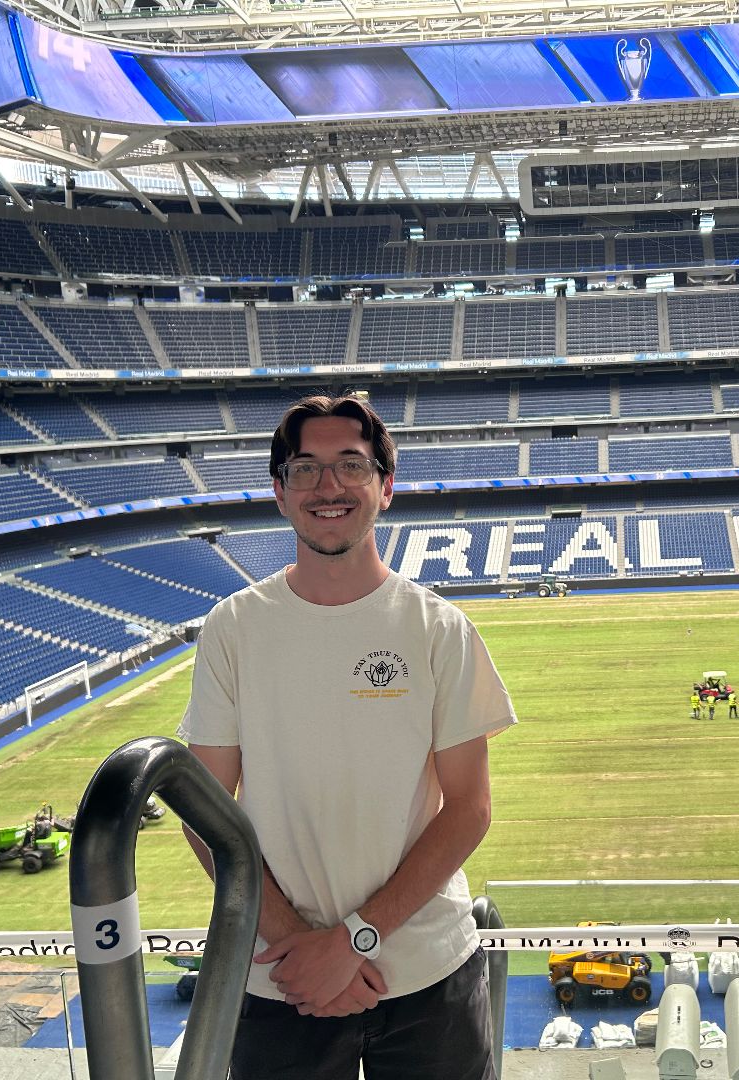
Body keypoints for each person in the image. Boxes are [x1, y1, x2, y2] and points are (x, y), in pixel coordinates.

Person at [178, 394, 516, 1080]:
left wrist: (354, 940)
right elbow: (205, 813)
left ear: (385, 488)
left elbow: (470, 810)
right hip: (281, 980)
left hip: (428, 977)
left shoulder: (439, 630)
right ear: (279, 492)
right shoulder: (233, 629)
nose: (328, 487)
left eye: (351, 466)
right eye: (305, 469)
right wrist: (304, 949)